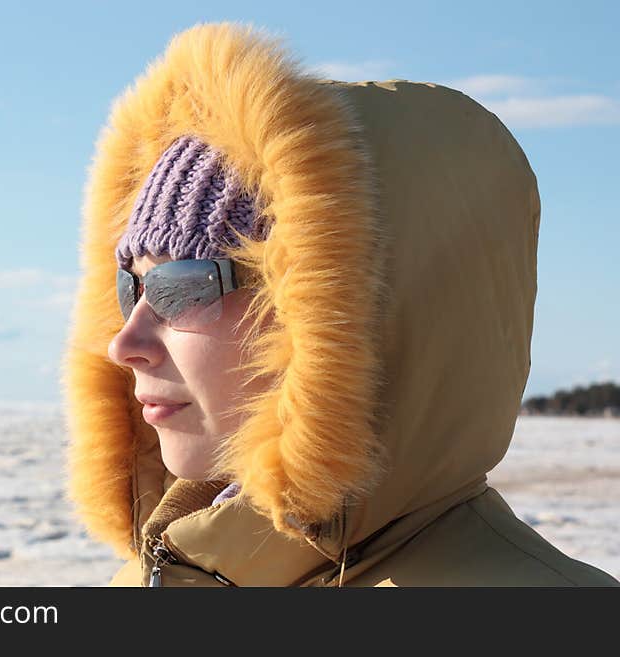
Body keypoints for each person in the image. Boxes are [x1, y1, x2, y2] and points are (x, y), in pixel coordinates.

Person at [61, 21, 619, 586]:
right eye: (131, 287)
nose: (123, 344)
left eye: (180, 288)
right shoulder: (158, 575)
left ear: (340, 316)